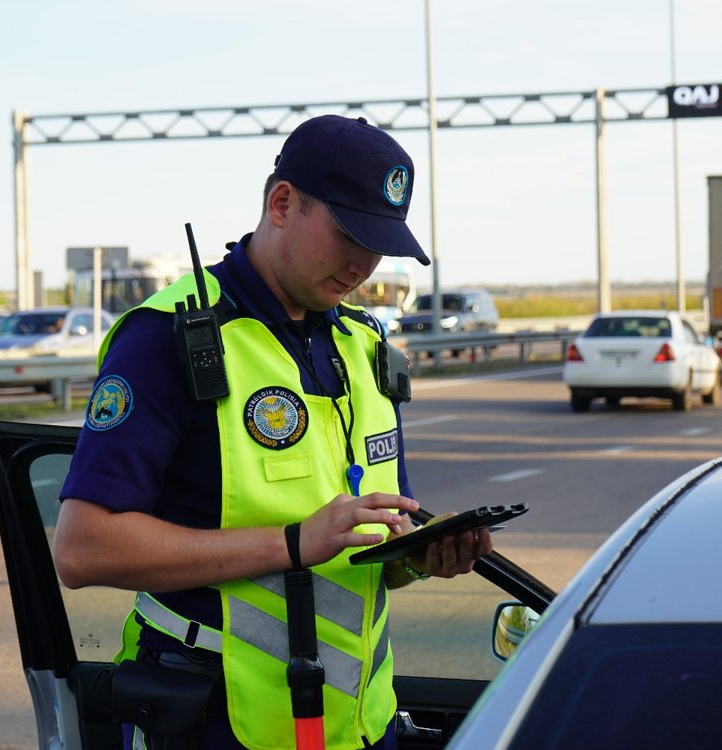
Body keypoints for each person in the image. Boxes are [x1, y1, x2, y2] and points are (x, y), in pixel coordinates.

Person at [53, 114, 493, 750]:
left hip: (358, 726)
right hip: (212, 723)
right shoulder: (169, 338)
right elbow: (83, 549)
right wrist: (291, 542)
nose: (363, 264)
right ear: (282, 202)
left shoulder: (363, 344)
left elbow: (362, 547)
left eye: (382, 245)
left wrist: (419, 557)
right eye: (350, 234)